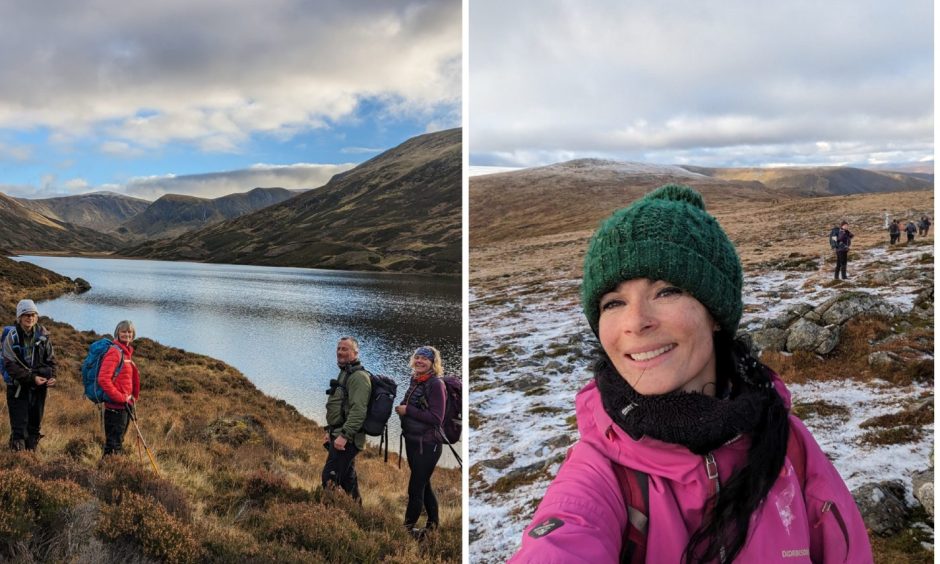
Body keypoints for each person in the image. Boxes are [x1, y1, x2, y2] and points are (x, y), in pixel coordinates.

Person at [510, 185, 871, 563]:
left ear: (715, 312)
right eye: (614, 302)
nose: (635, 323)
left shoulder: (789, 447)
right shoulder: (599, 475)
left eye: (666, 291)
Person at [395, 346, 446, 538]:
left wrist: (407, 411)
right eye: (417, 357)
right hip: (414, 442)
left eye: (425, 359)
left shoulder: (435, 384)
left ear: (433, 363)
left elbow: (436, 418)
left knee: (415, 488)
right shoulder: (415, 380)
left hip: (429, 445)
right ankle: (433, 526)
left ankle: (406, 531)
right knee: (424, 485)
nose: (420, 361)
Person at [1, 299, 57, 451]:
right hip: (18, 387)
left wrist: (53, 377)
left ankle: (31, 456)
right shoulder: (11, 337)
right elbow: (9, 365)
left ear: (36, 317)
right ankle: (17, 460)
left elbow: (51, 360)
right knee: (19, 427)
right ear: (19, 317)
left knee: (34, 425)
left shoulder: (43, 335)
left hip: (39, 388)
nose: (30, 317)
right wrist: (31, 378)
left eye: (33, 314)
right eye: (26, 314)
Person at [322, 336, 371, 501]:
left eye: (345, 349)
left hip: (348, 439)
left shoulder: (359, 377)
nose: (340, 352)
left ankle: (331, 517)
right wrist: (330, 431)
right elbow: (339, 406)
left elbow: (359, 411)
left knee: (329, 478)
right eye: (339, 349)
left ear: (355, 353)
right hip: (339, 433)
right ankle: (358, 514)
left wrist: (344, 435)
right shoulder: (345, 372)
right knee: (347, 480)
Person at [97, 320, 140, 456]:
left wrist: (131, 397)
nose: (127, 334)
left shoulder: (126, 352)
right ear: (117, 333)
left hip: (125, 405)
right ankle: (108, 473)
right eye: (123, 331)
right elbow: (103, 379)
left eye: (129, 332)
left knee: (118, 442)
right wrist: (121, 398)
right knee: (113, 445)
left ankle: (111, 471)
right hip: (115, 407)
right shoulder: (115, 352)